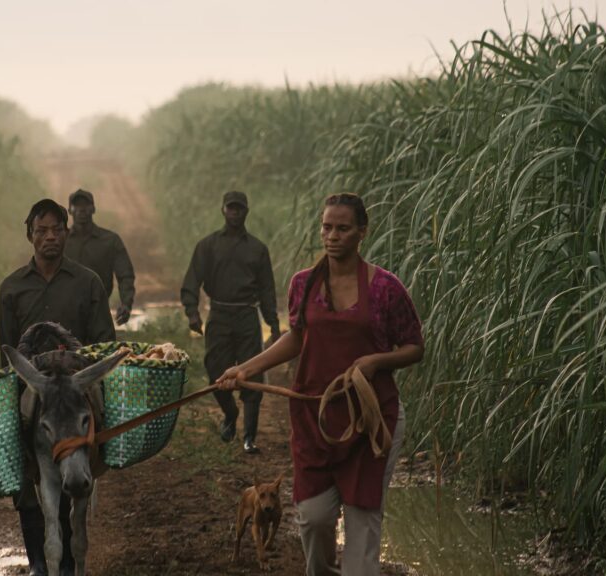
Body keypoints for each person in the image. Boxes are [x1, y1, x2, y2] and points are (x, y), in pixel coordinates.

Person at [216, 193, 424, 576]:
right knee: (313, 518)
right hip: (316, 422)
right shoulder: (303, 284)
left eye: (343, 228)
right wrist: (244, 369)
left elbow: (415, 347)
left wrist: (376, 361)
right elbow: (295, 338)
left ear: (362, 232)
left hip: (372, 422)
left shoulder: (385, 288)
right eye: (327, 227)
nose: (332, 235)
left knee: (363, 525)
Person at [0, 198, 116, 576]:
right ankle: (38, 562)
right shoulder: (12, 287)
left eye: (56, 230)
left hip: (77, 387)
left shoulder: (88, 281)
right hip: (35, 388)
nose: (50, 237)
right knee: (22, 465)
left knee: (85, 453)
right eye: (41, 230)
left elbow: (103, 342)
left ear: (66, 233)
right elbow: (8, 353)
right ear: (30, 235)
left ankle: (69, 560)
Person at [181, 190, 282, 454]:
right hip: (220, 314)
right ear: (223, 210)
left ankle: (250, 437)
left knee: (253, 373)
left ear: (246, 211)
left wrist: (273, 324)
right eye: (230, 208)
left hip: (248, 315)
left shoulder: (258, 249)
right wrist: (192, 312)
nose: (235, 212)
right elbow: (192, 280)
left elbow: (267, 290)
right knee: (216, 370)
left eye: (239, 208)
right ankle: (229, 412)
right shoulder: (208, 245)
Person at [64, 188, 136, 325]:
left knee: (100, 346)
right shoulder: (61, 240)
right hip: (64, 314)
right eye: (76, 206)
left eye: (86, 205)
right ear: (70, 210)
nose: (81, 210)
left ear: (93, 209)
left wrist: (126, 303)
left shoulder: (110, 240)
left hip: (98, 313)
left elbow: (125, 274)